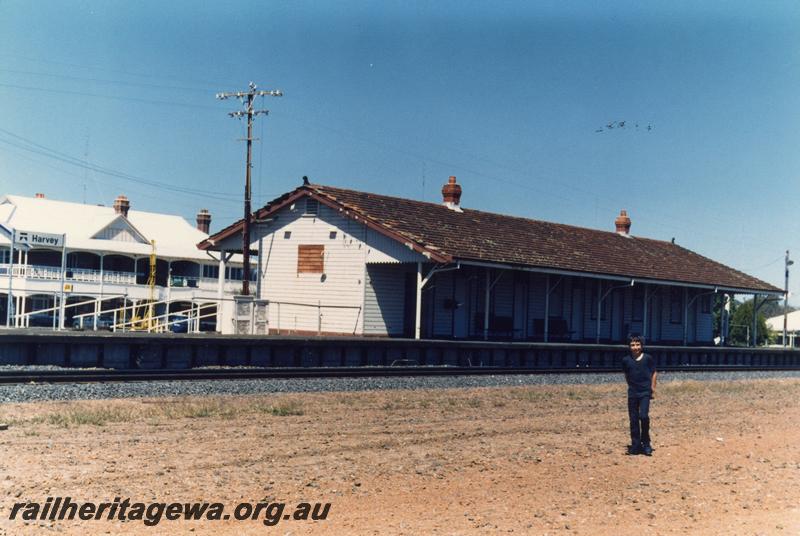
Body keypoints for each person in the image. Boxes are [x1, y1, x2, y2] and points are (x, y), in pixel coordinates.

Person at [621, 335, 657, 455]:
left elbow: (654, 372)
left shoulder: (648, 358)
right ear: (629, 346)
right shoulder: (626, 360)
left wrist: (652, 388)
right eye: (632, 345)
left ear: (641, 346)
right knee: (633, 419)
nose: (635, 347)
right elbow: (626, 375)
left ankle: (646, 443)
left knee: (644, 416)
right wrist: (631, 386)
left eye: (637, 344)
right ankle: (636, 445)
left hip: (645, 392)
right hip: (633, 393)